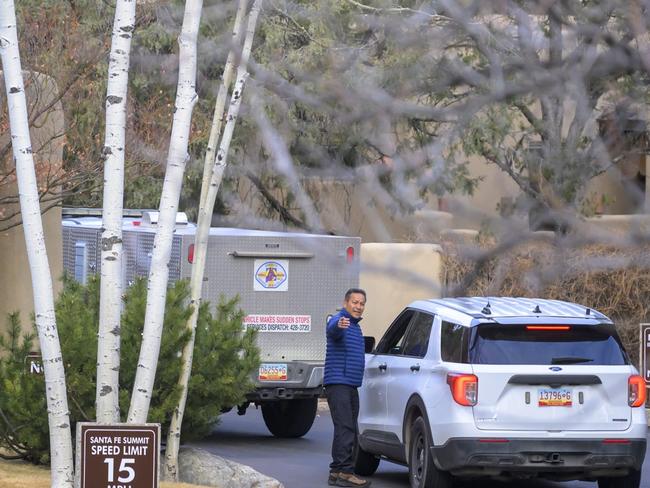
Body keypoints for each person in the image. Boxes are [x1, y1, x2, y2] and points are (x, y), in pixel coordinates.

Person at [324, 288, 371, 487]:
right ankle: (345, 473)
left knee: (344, 428)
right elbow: (333, 328)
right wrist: (339, 324)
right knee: (346, 428)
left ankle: (336, 471)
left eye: (362, 303)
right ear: (346, 303)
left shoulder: (355, 326)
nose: (358, 306)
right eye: (355, 302)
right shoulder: (340, 321)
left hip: (349, 384)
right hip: (339, 383)